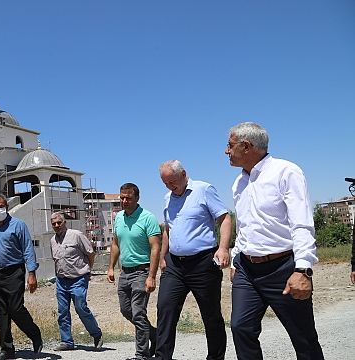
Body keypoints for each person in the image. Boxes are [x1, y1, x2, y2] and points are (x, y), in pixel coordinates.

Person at [225, 122, 324, 360]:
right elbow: (245, 225)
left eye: (229, 145)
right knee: (241, 328)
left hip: (283, 268)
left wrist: (303, 269)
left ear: (246, 146)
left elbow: (301, 224)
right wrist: (236, 260)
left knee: (303, 337)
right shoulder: (239, 183)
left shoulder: (286, 172)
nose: (227, 151)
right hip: (247, 269)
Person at [153, 160, 231, 360]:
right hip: (174, 265)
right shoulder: (167, 198)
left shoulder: (204, 190)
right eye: (166, 183)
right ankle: (162, 357)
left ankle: (215, 357)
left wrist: (223, 248)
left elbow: (224, 218)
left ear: (183, 174)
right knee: (165, 309)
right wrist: (163, 257)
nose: (170, 186)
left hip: (203, 263)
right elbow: (168, 229)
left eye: (172, 181)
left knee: (211, 315)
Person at [0, 195, 43, 360]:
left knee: (15, 308)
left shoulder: (18, 225)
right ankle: (7, 350)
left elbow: (28, 249)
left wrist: (32, 274)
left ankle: (35, 334)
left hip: (15, 272)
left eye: (1, 206)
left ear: (6, 207)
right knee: (1, 312)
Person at [107, 183, 161, 360]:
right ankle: (154, 334)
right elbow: (115, 244)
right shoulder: (119, 218)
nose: (124, 201)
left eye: (128, 198)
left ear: (137, 198)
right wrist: (110, 268)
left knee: (138, 312)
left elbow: (155, 248)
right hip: (125, 272)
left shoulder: (147, 218)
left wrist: (151, 276)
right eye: (122, 197)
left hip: (142, 271)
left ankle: (142, 355)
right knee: (126, 310)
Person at [49, 212, 103, 351]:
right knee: (62, 312)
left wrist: (88, 270)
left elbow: (90, 253)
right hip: (61, 281)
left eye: (59, 222)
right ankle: (67, 342)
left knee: (81, 307)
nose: (56, 225)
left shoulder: (76, 235)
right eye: (54, 223)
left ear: (64, 223)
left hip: (78, 278)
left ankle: (96, 334)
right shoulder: (52, 240)